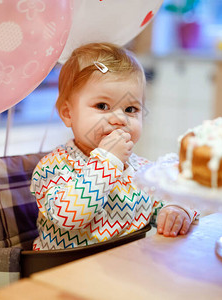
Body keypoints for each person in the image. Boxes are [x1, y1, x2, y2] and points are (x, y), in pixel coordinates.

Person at [30, 42, 198, 250]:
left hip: (125, 269)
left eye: (130, 109)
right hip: (65, 271)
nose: (119, 118)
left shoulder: (141, 171)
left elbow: (178, 197)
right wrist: (107, 162)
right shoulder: (53, 167)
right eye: (102, 106)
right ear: (68, 113)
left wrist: (178, 209)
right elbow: (70, 217)